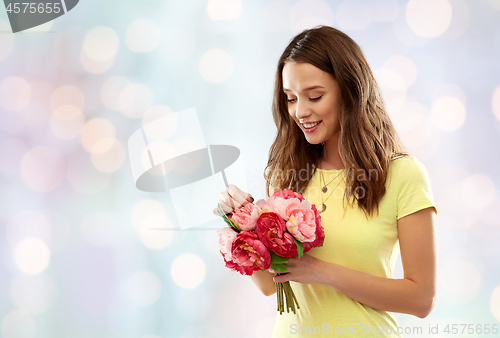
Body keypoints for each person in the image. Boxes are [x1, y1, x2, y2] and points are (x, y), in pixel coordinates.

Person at [213, 25, 437, 338]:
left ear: (350, 90)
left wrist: (322, 273)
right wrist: (245, 222)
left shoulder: (402, 175)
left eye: (314, 96)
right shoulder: (288, 173)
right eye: (290, 99)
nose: (300, 112)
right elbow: (270, 285)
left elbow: (420, 298)